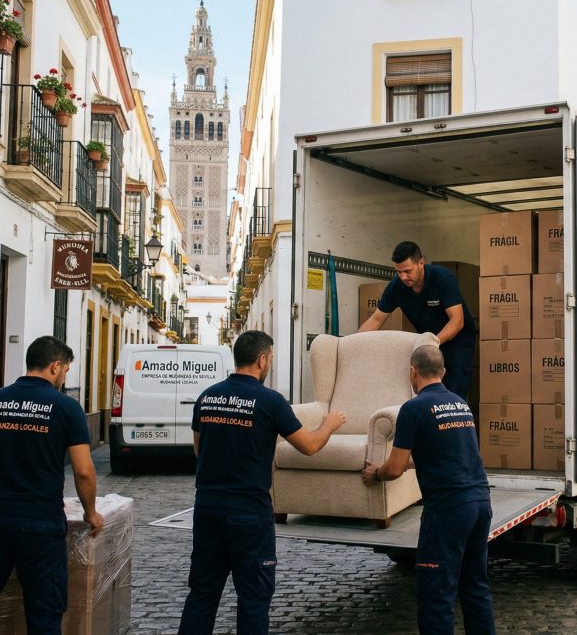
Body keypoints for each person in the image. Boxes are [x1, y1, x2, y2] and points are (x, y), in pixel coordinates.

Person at [179, 330, 347, 635]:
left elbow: (198, 451)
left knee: (202, 594)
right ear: (262, 359)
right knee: (254, 598)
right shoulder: (270, 401)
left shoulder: (207, 397)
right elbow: (308, 446)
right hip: (249, 512)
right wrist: (330, 424)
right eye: (270, 358)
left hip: (208, 508)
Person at [0, 336, 102, 634]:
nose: (65, 376)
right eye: (66, 370)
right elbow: (84, 471)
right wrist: (91, 512)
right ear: (55, 366)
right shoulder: (66, 408)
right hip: (40, 523)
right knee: (44, 612)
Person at [363, 345, 495, 635]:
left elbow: (394, 468)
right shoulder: (460, 403)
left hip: (447, 510)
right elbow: (444, 452)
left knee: (436, 594)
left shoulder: (413, 409)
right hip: (480, 503)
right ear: (444, 372)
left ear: (412, 371)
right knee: (474, 588)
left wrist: (377, 473)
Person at [359, 241, 477, 400]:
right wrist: (354, 345)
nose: (403, 277)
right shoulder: (396, 287)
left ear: (421, 263)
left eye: (407, 271)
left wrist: (432, 342)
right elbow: (376, 319)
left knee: (453, 391)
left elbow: (457, 321)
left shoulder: (443, 278)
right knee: (426, 392)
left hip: (456, 340)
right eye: (398, 272)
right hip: (428, 342)